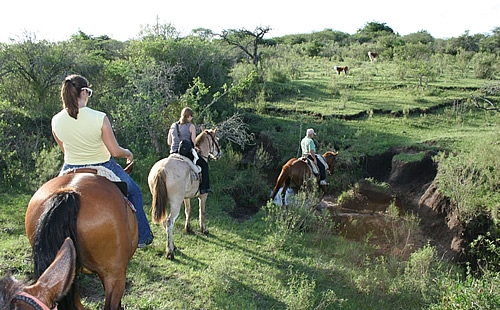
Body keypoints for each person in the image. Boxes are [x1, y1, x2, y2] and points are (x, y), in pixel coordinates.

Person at [51, 74, 154, 248]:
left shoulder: (56, 120)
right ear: (83, 92)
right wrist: (128, 153)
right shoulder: (99, 117)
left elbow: (65, 149)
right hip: (102, 165)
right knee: (135, 192)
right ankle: (143, 237)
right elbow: (114, 151)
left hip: (70, 167)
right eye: (88, 92)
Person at [168, 107, 213, 194]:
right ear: (188, 116)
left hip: (173, 152)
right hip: (186, 153)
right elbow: (193, 142)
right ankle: (204, 188)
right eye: (191, 116)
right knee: (204, 165)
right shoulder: (191, 126)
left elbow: (169, 142)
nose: (191, 118)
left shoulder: (173, 126)